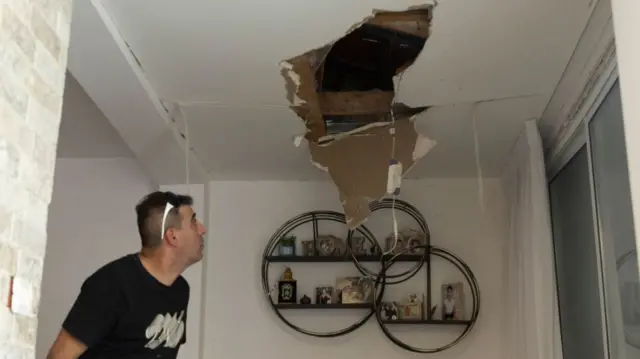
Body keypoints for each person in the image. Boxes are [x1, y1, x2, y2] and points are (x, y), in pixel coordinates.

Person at [46, 191, 207, 359]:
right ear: (172, 236)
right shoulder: (111, 284)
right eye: (194, 222)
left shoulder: (180, 290)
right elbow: (59, 356)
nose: (202, 229)